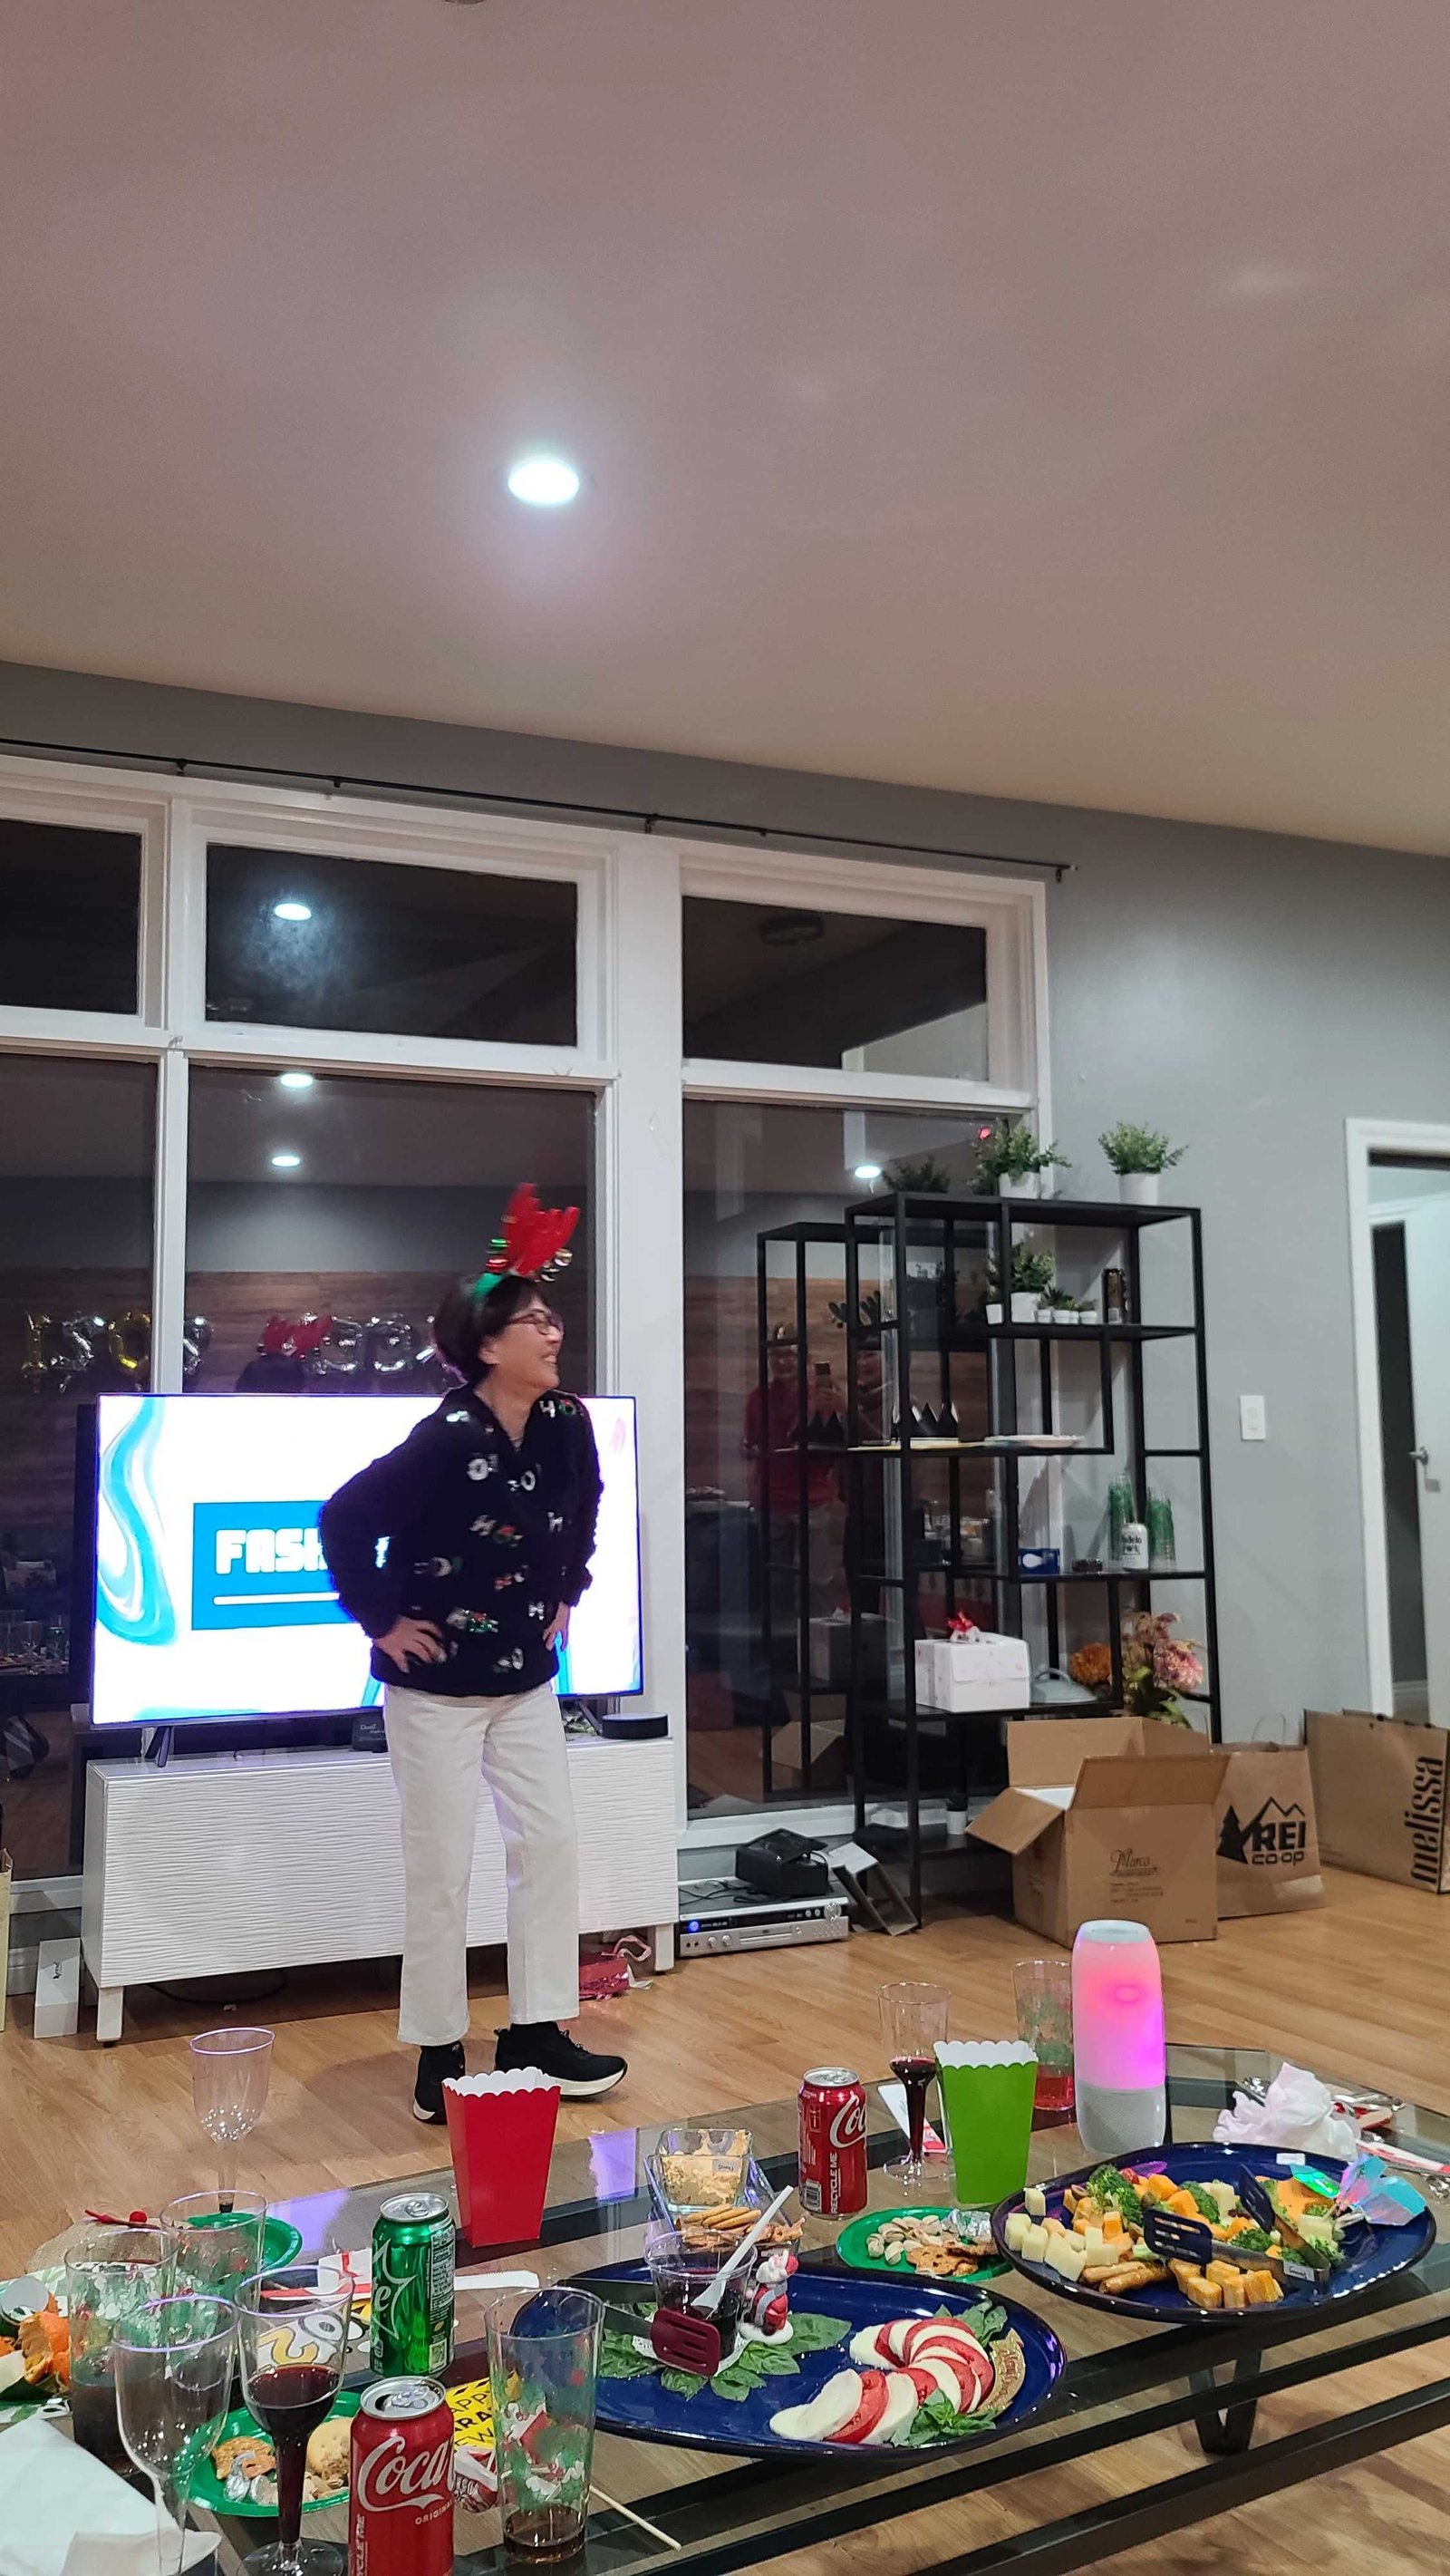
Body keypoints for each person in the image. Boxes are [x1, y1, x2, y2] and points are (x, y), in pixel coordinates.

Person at [319, 1190, 626, 2121]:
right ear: (488, 1346)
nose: (553, 1330)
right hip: (435, 1690)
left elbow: (586, 1503)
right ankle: (439, 2048)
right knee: (440, 1864)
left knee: (551, 1845)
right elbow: (343, 1518)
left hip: (525, 1681)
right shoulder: (445, 1439)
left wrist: (569, 1587)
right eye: (534, 1321)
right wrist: (380, 1620)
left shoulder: (567, 1420)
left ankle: (535, 2030)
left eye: (552, 1316)